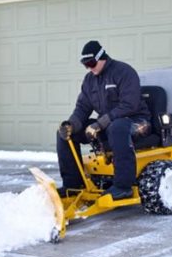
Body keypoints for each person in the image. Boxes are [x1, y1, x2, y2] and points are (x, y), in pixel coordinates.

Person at [57, 40, 151, 200]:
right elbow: (82, 108)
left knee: (117, 127)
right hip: (108, 124)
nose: (89, 67)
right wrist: (71, 124)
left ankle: (123, 187)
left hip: (137, 120)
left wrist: (100, 124)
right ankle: (73, 185)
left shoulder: (124, 72)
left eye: (92, 63)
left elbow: (129, 105)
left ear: (102, 57)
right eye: (85, 64)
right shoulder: (89, 80)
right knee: (65, 134)